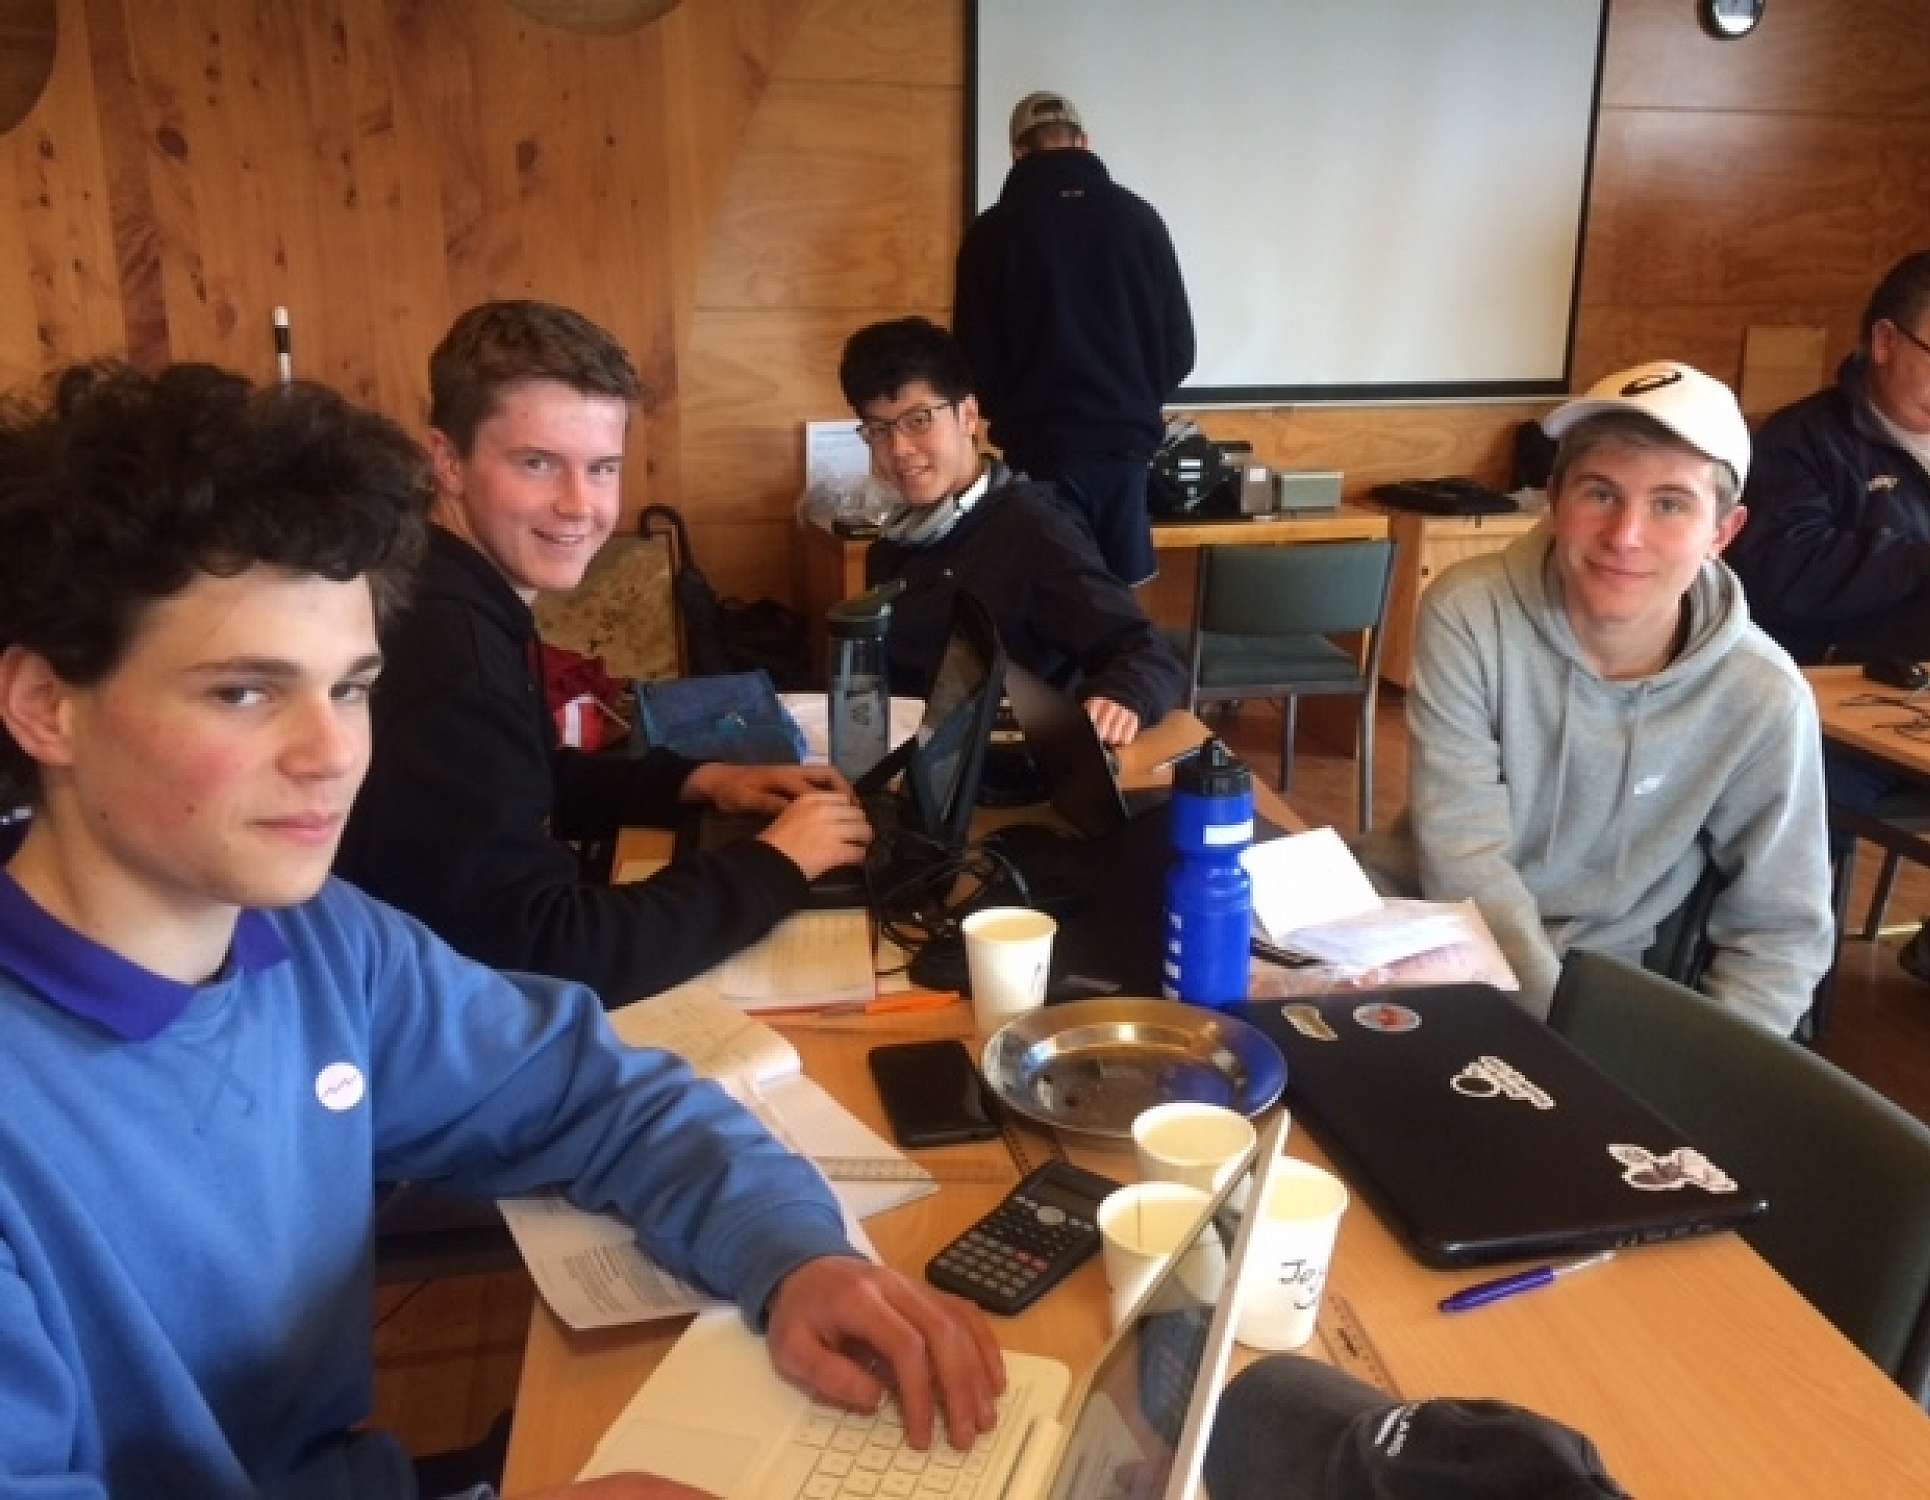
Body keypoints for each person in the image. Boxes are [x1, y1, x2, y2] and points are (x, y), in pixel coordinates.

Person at [0, 363, 1002, 1500]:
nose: (333, 755)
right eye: (243, 692)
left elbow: (600, 1097)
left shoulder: (325, 946)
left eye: (350, 688)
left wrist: (794, 1251)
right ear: (44, 705)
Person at [337, 301, 871, 1007]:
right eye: (537, 464)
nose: (578, 505)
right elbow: (552, 954)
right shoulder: (451, 655)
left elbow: (525, 778)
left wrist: (702, 781)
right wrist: (776, 863)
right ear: (448, 462)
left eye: (602, 468)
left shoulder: (451, 586)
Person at [1360, 361, 1835, 1036]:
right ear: (1555, 499)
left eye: (1670, 504)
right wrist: (1557, 1038)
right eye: (1601, 493)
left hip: (1598, 988)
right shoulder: (1471, 613)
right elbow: (1463, 855)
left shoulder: (1764, 696)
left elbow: (1780, 930)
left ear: (1723, 533)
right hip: (1422, 934)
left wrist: (1712, 1072)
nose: (1624, 536)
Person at [1728, 247, 1930, 1000]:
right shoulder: (1802, 441)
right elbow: (1782, 575)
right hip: (1840, 709)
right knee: (1797, 799)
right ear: (1885, 340)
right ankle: (1781, 997)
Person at [839, 316, 1185, 748]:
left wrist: (1122, 698)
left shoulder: (1033, 531)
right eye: (878, 430)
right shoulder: (893, 546)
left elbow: (1146, 651)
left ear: (968, 415)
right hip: (917, 760)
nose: (899, 449)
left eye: (919, 420)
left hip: (1006, 767)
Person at [953, 91, 1196, 586]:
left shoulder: (990, 234)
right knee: (1118, 606)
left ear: (1018, 153)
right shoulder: (1140, 220)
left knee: (1050, 597)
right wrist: (1130, 400)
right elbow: (1179, 349)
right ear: (1084, 142)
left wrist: (1014, 410)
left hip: (1038, 453)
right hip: (1125, 453)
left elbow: (971, 361)